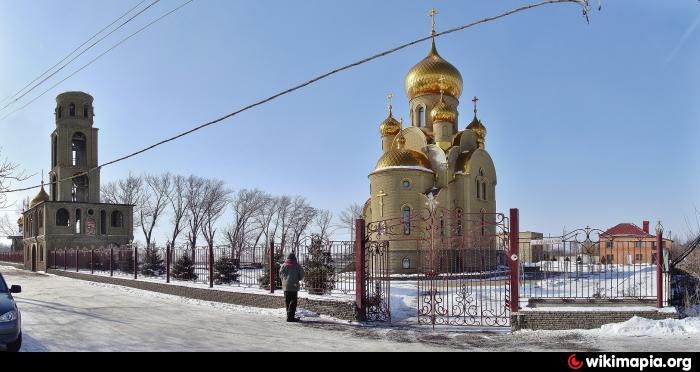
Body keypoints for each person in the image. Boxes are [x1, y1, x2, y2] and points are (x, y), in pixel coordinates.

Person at [279, 252, 304, 322]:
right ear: (294, 258)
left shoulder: (283, 265)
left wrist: (284, 280)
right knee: (293, 301)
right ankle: (291, 317)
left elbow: (280, 274)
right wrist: (297, 279)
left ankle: (288, 316)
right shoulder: (297, 265)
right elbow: (301, 275)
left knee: (287, 301)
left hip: (285, 286)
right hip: (293, 285)